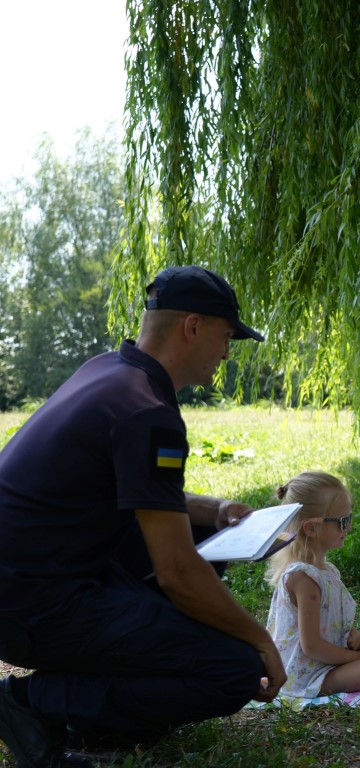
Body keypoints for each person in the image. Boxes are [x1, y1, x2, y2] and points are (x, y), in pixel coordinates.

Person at [0, 266, 287, 768]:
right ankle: (29, 705)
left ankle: (106, 713)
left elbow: (130, 490)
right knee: (235, 670)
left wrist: (214, 509)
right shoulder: (146, 411)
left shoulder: (109, 371)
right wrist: (260, 639)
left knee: (199, 531)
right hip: (32, 608)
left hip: (29, 580)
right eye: (226, 335)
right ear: (192, 327)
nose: (227, 351)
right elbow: (176, 573)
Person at [265, 472, 360, 697]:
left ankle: (353, 663)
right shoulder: (303, 578)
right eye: (343, 522)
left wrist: (352, 634)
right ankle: (350, 668)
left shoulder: (324, 569)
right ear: (311, 528)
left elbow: (329, 615)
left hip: (333, 652)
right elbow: (311, 646)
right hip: (308, 673)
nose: (349, 528)